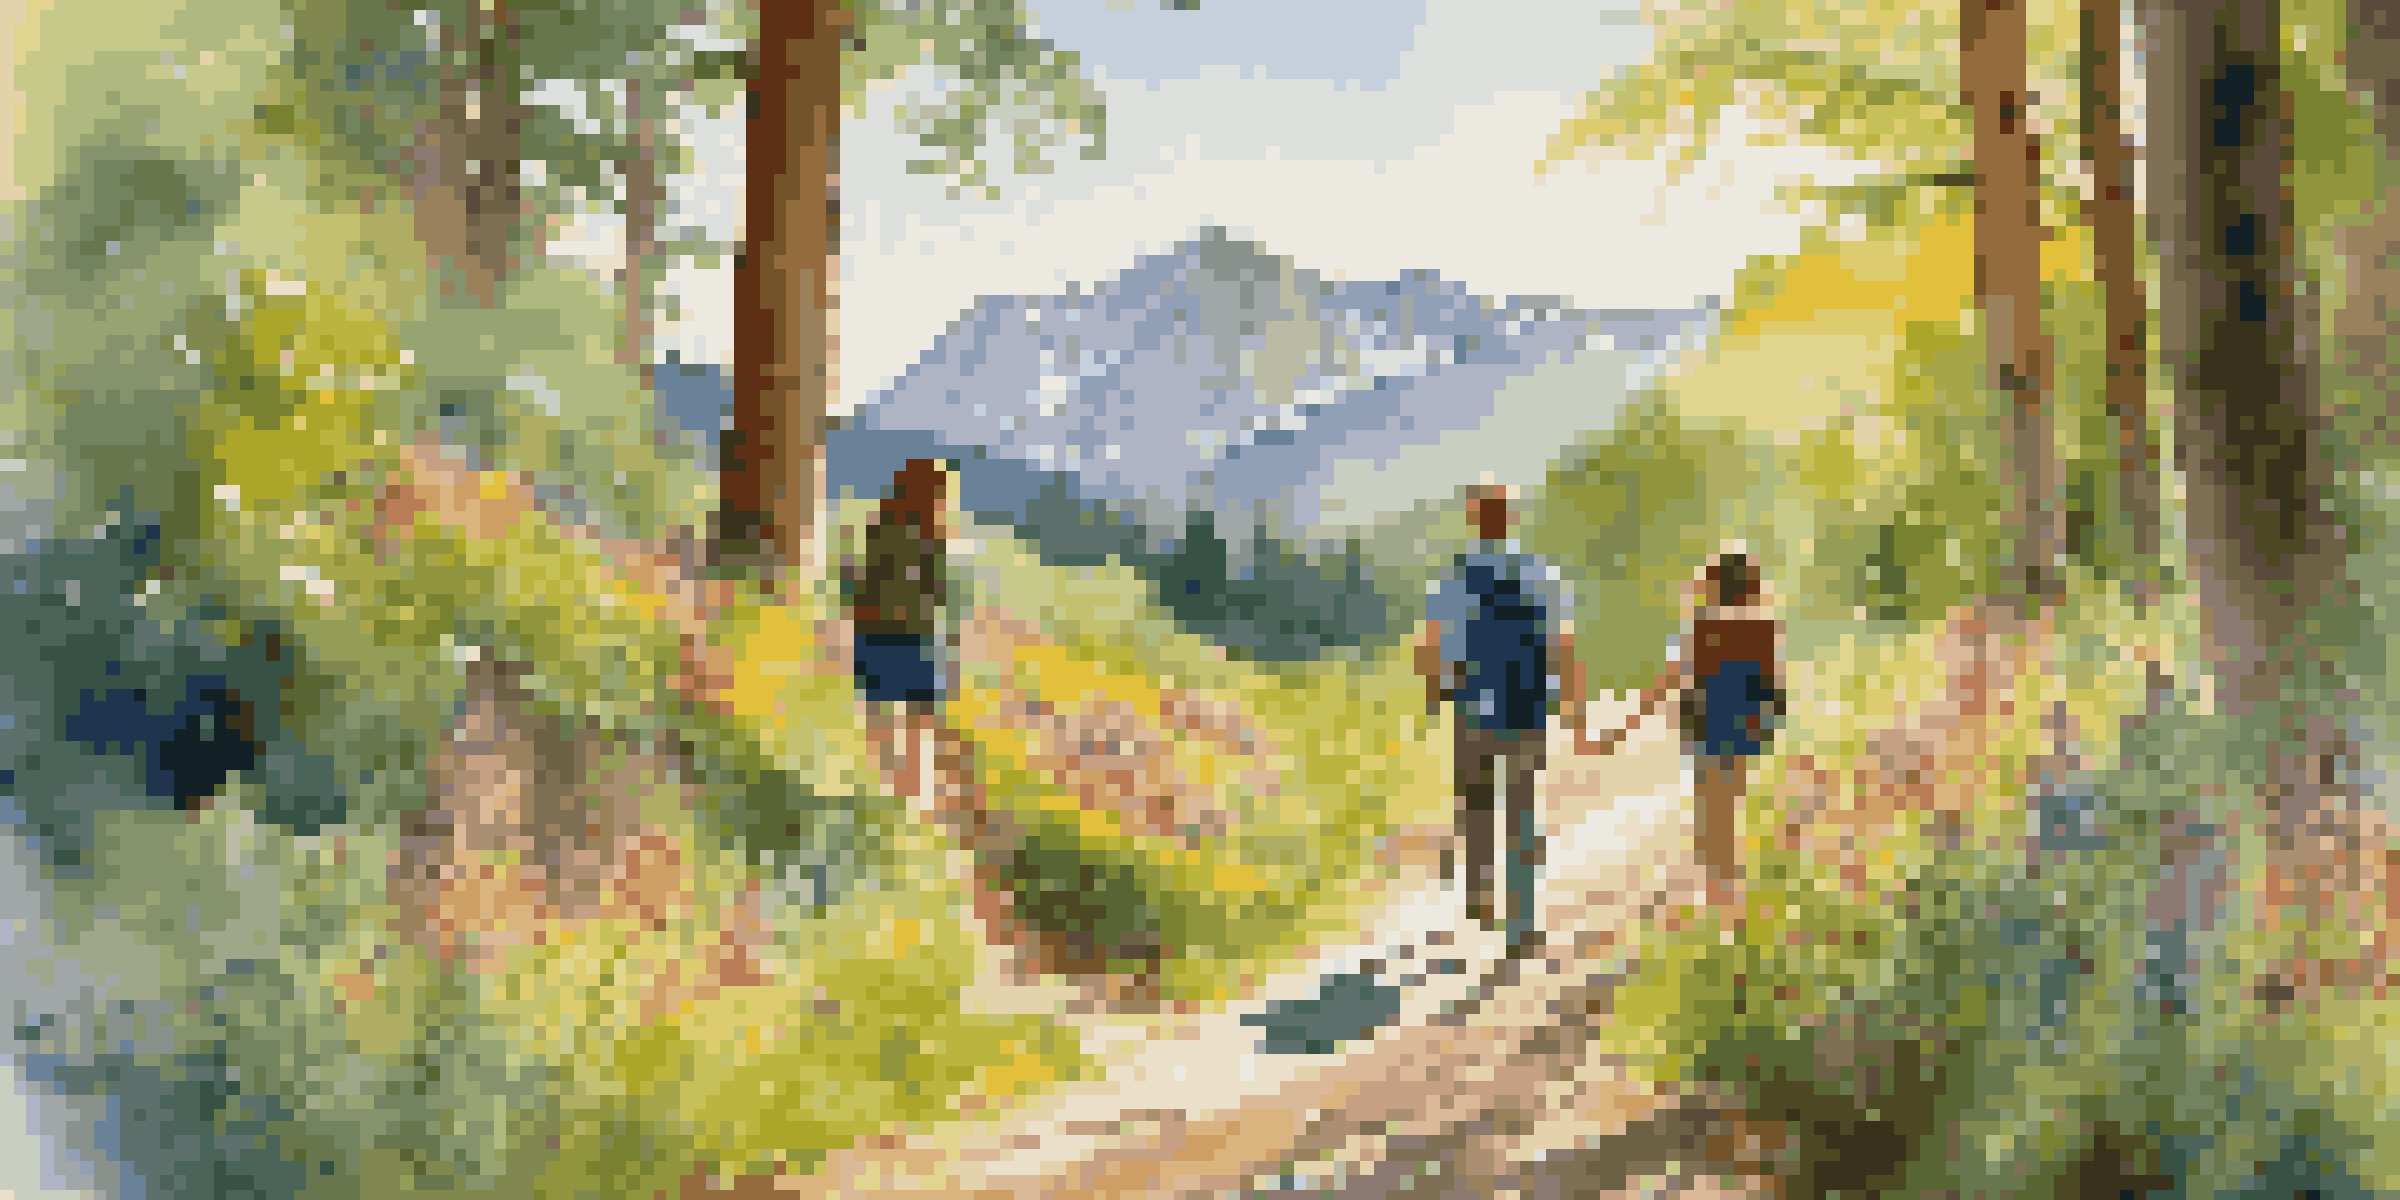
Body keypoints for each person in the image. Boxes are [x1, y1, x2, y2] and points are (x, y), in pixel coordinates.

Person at [1417, 482, 1584, 956]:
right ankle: (1523, 919)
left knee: (1476, 804)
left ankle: (1481, 891)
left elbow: (1433, 645)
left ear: (1473, 521)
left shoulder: (1455, 579)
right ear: (1511, 520)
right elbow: (1562, 646)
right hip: (1527, 706)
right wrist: (1572, 707)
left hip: (1473, 706)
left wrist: (1435, 694)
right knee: (1522, 807)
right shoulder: (1540, 574)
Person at [1661, 546, 1784, 910]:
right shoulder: (1761, 626)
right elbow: (1773, 684)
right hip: (1743, 729)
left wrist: (1620, 731)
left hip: (1706, 727)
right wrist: (1766, 723)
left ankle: (1718, 894)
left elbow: (1676, 676)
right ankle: (1730, 893)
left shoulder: (1702, 624)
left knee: (1708, 817)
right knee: (1728, 812)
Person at [844, 458, 964, 809]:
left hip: (885, 632)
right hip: (904, 636)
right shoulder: (926, 536)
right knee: (913, 720)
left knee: (888, 718)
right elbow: (934, 591)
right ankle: (913, 794)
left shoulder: (887, 527)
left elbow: (866, 582)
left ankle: (895, 790)